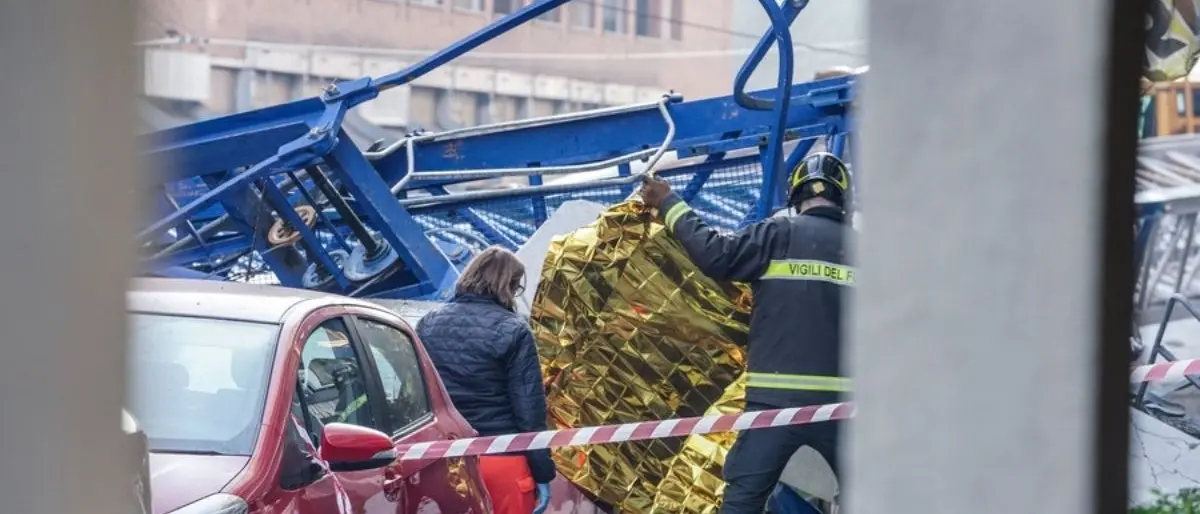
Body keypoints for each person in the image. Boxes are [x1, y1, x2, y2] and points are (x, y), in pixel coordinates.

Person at [640, 152, 854, 514]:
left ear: (796, 194)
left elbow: (716, 255)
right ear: (842, 197)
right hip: (841, 406)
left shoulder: (777, 233)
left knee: (743, 502)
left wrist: (668, 203)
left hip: (774, 403)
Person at [416, 246, 554, 514]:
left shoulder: (428, 324)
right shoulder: (513, 330)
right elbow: (529, 412)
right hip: (501, 458)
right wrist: (543, 471)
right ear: (509, 286)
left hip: (444, 462)